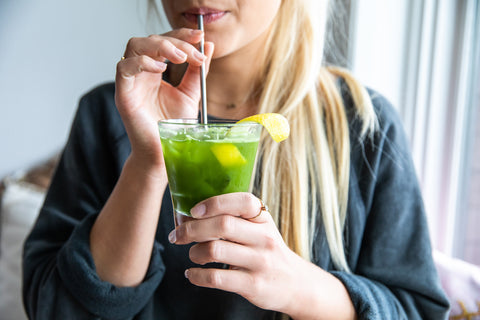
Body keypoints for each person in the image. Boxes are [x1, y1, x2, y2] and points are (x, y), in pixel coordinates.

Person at [23, 0, 450, 319]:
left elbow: (416, 309)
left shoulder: (360, 124)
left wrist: (298, 287)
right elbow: (56, 307)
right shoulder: (106, 114)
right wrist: (150, 161)